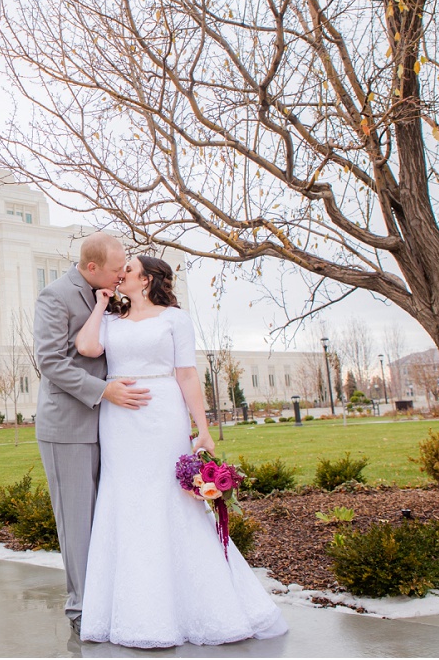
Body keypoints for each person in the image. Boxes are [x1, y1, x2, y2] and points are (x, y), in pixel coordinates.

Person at [74, 255, 287, 647]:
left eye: (130, 269)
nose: (121, 273)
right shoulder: (108, 319)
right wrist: (102, 302)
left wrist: (202, 429)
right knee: (125, 499)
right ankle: (131, 610)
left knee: (169, 500)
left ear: (149, 279)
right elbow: (86, 348)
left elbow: (187, 374)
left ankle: (198, 605)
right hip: (119, 419)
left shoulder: (175, 319)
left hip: (163, 415)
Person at [33, 232, 152, 635]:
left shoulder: (108, 293)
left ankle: (105, 597)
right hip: (67, 429)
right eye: (118, 269)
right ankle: (81, 609)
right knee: (78, 522)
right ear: (91, 268)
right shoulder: (55, 297)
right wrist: (103, 391)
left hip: (109, 427)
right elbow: (50, 361)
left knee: (105, 520)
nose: (122, 276)